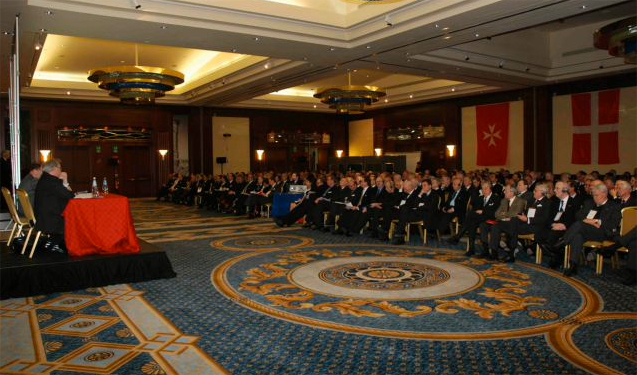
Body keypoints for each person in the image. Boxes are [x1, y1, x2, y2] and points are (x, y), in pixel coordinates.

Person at [560, 184, 621, 277]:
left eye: (597, 195)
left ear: (604, 194)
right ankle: (573, 265)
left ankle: (562, 243)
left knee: (579, 225)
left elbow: (613, 223)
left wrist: (596, 221)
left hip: (603, 232)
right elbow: (578, 215)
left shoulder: (614, 206)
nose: (594, 197)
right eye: (593, 195)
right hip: (587, 231)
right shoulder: (589, 203)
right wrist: (586, 220)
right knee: (577, 236)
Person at [489, 183, 552, 263]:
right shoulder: (532, 200)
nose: (533, 192)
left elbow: (544, 219)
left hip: (536, 226)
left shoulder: (547, 202)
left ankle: (511, 252)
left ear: (542, 192)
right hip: (524, 223)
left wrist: (528, 219)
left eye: (535, 191)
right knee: (499, 225)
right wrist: (523, 216)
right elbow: (525, 213)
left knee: (513, 224)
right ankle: (507, 251)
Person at [449, 181, 501, 256]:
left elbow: (494, 212)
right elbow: (475, 209)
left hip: (490, 218)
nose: (484, 190)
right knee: (471, 223)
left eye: (486, 188)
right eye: (482, 189)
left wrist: (483, 211)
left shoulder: (496, 198)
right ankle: (471, 249)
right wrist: (478, 212)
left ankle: (458, 236)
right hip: (478, 218)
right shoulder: (480, 198)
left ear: (490, 189)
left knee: (470, 216)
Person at [34, 159, 75, 252]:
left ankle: (55, 242)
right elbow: (70, 195)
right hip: (49, 219)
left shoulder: (45, 179)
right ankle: (61, 244)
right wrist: (65, 180)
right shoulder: (51, 182)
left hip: (43, 216)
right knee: (74, 218)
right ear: (54, 169)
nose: (61, 170)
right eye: (60, 168)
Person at [477, 185, 526, 260]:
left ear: (512, 192)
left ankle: (494, 252)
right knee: (483, 225)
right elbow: (496, 214)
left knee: (495, 227)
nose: (504, 192)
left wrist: (504, 214)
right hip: (502, 222)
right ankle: (486, 250)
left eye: (506, 191)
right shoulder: (504, 200)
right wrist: (505, 217)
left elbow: (516, 213)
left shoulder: (520, 201)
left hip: (513, 223)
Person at [545, 181, 579, 268]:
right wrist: (553, 225)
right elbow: (548, 217)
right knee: (540, 234)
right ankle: (558, 256)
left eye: (557, 188)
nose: (554, 190)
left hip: (567, 228)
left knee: (551, 237)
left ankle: (556, 257)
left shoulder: (575, 203)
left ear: (564, 190)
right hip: (554, 227)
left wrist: (564, 226)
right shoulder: (554, 202)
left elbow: (576, 219)